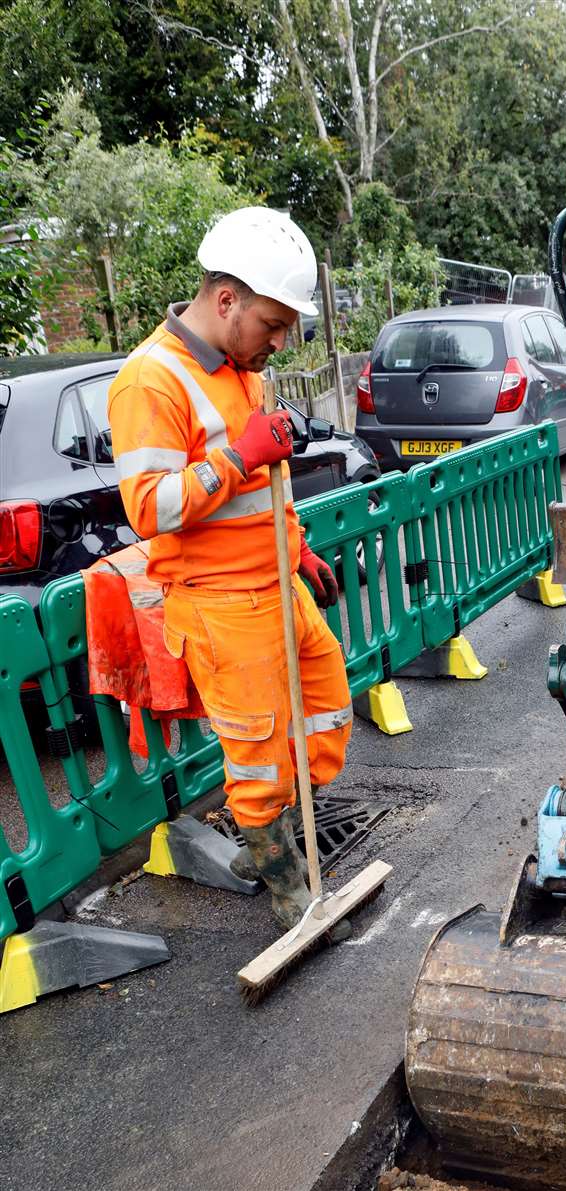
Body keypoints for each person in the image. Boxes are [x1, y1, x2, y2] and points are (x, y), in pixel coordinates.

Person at [108, 206, 352, 936]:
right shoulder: (149, 382)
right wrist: (238, 455)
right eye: (272, 325)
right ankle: (286, 886)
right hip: (221, 604)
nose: (278, 343)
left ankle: (266, 838)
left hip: (274, 583)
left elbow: (261, 489)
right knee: (257, 752)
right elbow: (150, 507)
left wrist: (297, 543)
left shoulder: (240, 367)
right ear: (225, 301)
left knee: (328, 702)